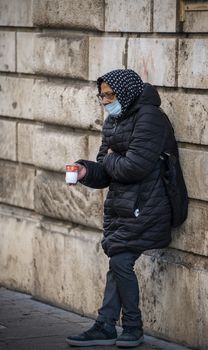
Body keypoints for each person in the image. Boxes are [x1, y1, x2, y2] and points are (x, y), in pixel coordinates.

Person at [66, 69, 178, 348]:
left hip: (147, 205)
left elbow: (135, 167)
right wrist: (85, 171)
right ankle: (106, 325)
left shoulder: (150, 118)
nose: (105, 101)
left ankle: (131, 326)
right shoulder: (114, 120)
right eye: (101, 95)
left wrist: (112, 161)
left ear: (125, 91)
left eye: (109, 94)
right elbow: (106, 170)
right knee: (118, 260)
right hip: (123, 207)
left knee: (120, 261)